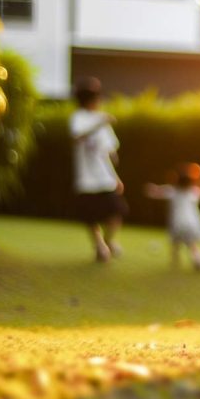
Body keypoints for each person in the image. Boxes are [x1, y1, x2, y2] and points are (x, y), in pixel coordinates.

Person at [69, 76, 127, 263]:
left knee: (117, 211)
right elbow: (78, 136)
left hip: (105, 178)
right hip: (86, 179)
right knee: (91, 217)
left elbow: (109, 152)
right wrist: (100, 123)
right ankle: (100, 246)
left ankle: (108, 241)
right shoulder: (78, 118)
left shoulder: (101, 119)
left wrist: (115, 176)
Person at [144, 163, 200, 271]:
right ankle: (198, 259)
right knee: (192, 245)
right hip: (193, 223)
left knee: (175, 243)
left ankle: (175, 262)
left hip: (177, 223)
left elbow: (155, 192)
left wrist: (151, 188)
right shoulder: (194, 192)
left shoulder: (172, 191)